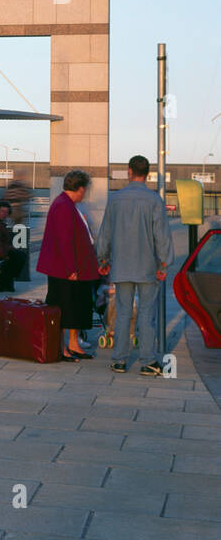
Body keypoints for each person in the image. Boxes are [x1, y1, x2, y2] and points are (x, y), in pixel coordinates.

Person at [96, 154, 174, 376]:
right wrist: (164, 263)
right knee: (146, 314)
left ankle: (119, 360)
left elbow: (106, 232)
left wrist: (103, 259)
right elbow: (162, 236)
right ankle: (148, 361)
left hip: (121, 266)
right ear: (147, 174)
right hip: (147, 267)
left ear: (129, 172)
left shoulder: (116, 199)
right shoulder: (154, 200)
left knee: (122, 313)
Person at [37, 169, 100, 360]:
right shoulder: (63, 206)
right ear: (80, 188)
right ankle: (60, 347)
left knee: (76, 305)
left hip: (73, 268)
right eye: (85, 189)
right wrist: (70, 268)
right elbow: (65, 240)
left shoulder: (68, 205)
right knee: (64, 306)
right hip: (64, 270)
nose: (86, 193)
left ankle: (73, 344)